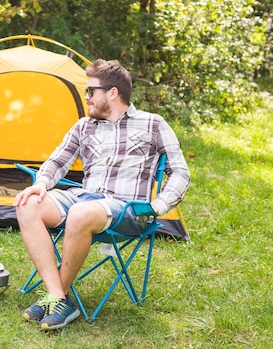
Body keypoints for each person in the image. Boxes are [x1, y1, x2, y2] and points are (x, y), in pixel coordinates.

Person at [14, 59, 191, 330]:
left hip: (127, 209)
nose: (86, 97)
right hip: (84, 198)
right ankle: (58, 297)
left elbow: (180, 172)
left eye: (90, 92)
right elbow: (57, 161)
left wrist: (159, 205)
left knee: (80, 213)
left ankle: (53, 298)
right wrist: (42, 182)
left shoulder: (152, 124)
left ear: (112, 93)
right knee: (27, 204)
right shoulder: (84, 126)